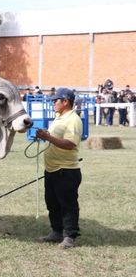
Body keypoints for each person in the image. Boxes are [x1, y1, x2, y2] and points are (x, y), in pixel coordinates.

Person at [35, 87, 82, 249]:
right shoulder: (58, 117)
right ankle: (56, 232)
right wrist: (45, 135)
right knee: (52, 202)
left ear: (65, 102)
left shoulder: (73, 120)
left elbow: (70, 144)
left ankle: (70, 235)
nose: (53, 103)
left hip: (66, 170)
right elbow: (55, 138)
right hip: (51, 169)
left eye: (56, 100)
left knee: (67, 204)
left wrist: (48, 137)